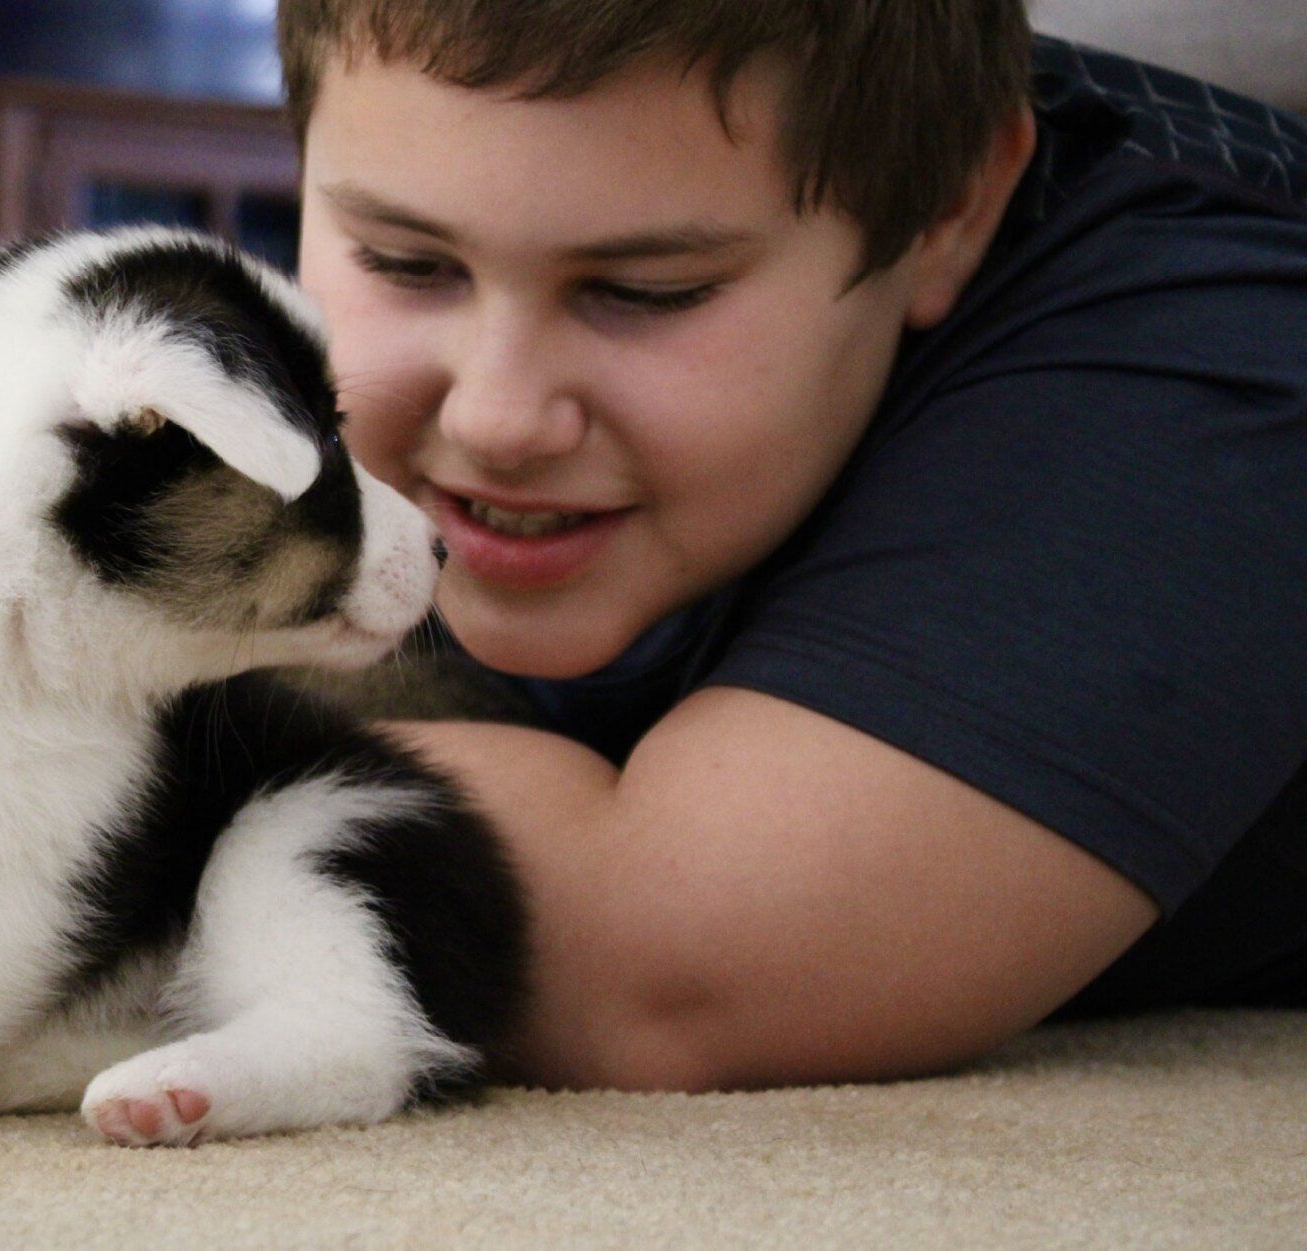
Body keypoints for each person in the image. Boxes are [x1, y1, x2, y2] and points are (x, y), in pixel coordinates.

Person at [275, 0, 1307, 1092]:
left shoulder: (1213, 340)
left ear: (950, 209)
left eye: (642, 292)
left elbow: (666, 964)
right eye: (404, 262)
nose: (496, 416)